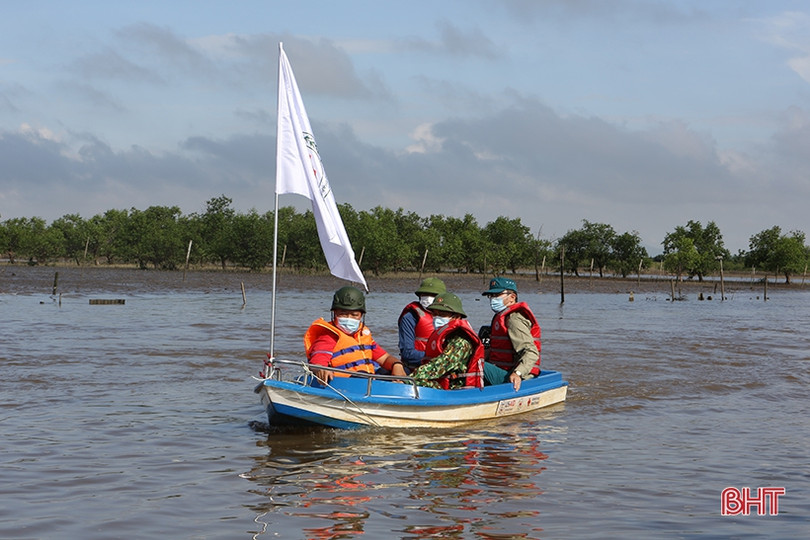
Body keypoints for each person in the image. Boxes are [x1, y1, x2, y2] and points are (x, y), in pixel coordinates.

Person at [304, 286, 407, 383]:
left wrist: (397, 365)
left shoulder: (362, 336)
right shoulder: (328, 337)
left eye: (354, 315)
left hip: (368, 381)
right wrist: (321, 369)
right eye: (343, 314)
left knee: (401, 369)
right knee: (362, 375)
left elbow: (385, 358)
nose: (349, 318)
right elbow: (318, 361)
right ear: (335, 313)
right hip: (346, 383)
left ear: (361, 315)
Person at [410, 292, 484, 390]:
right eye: (435, 314)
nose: (437, 318)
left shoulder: (461, 342)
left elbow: (440, 365)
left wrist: (409, 379)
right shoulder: (444, 338)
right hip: (441, 383)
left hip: (454, 388)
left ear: (456, 317)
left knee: (415, 381)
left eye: (442, 315)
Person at [481, 277, 541, 391]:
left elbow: (532, 352)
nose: (493, 299)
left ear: (512, 297)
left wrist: (517, 373)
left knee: (477, 363)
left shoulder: (514, 319)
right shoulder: (501, 316)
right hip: (502, 369)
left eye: (497, 295)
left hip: (515, 376)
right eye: (491, 296)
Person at [397, 277, 447, 370]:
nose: (428, 298)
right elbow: (407, 353)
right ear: (419, 296)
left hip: (443, 366)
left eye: (433, 295)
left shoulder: (450, 317)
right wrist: (438, 357)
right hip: (417, 367)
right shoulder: (410, 317)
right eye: (424, 294)